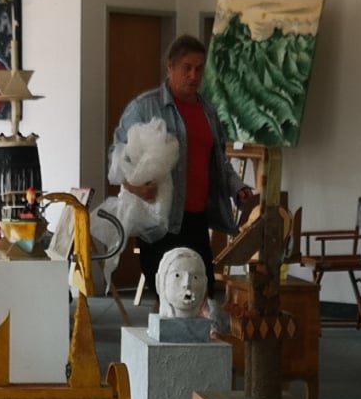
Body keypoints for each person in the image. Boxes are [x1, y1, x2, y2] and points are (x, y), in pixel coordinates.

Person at [109, 35, 259, 302]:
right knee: (170, 297)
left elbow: (218, 162)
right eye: (187, 68)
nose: (194, 76)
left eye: (199, 69)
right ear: (170, 66)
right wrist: (135, 187)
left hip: (197, 218)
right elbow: (117, 156)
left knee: (202, 294)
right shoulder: (145, 106)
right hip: (161, 220)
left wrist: (238, 188)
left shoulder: (208, 111)